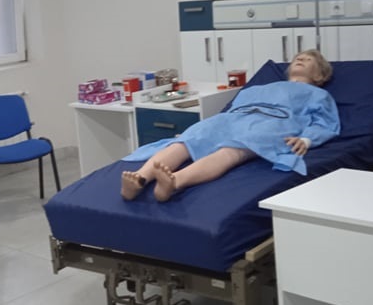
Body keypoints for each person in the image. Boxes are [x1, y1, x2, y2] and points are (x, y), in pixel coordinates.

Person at [121, 50, 340, 202]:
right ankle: (139, 178)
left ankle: (174, 182)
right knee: (192, 136)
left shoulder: (318, 95)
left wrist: (306, 139)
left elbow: (326, 123)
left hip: (275, 123)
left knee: (233, 149)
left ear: (319, 74)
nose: (301, 59)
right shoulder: (259, 88)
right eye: (298, 58)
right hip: (236, 117)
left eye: (308, 59)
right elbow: (234, 110)